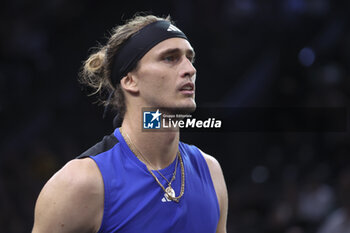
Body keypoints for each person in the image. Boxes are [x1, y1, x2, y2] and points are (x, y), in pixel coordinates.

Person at [32, 14, 228, 233]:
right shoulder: (81, 183)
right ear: (130, 80)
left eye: (189, 59)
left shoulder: (210, 171)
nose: (190, 70)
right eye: (170, 58)